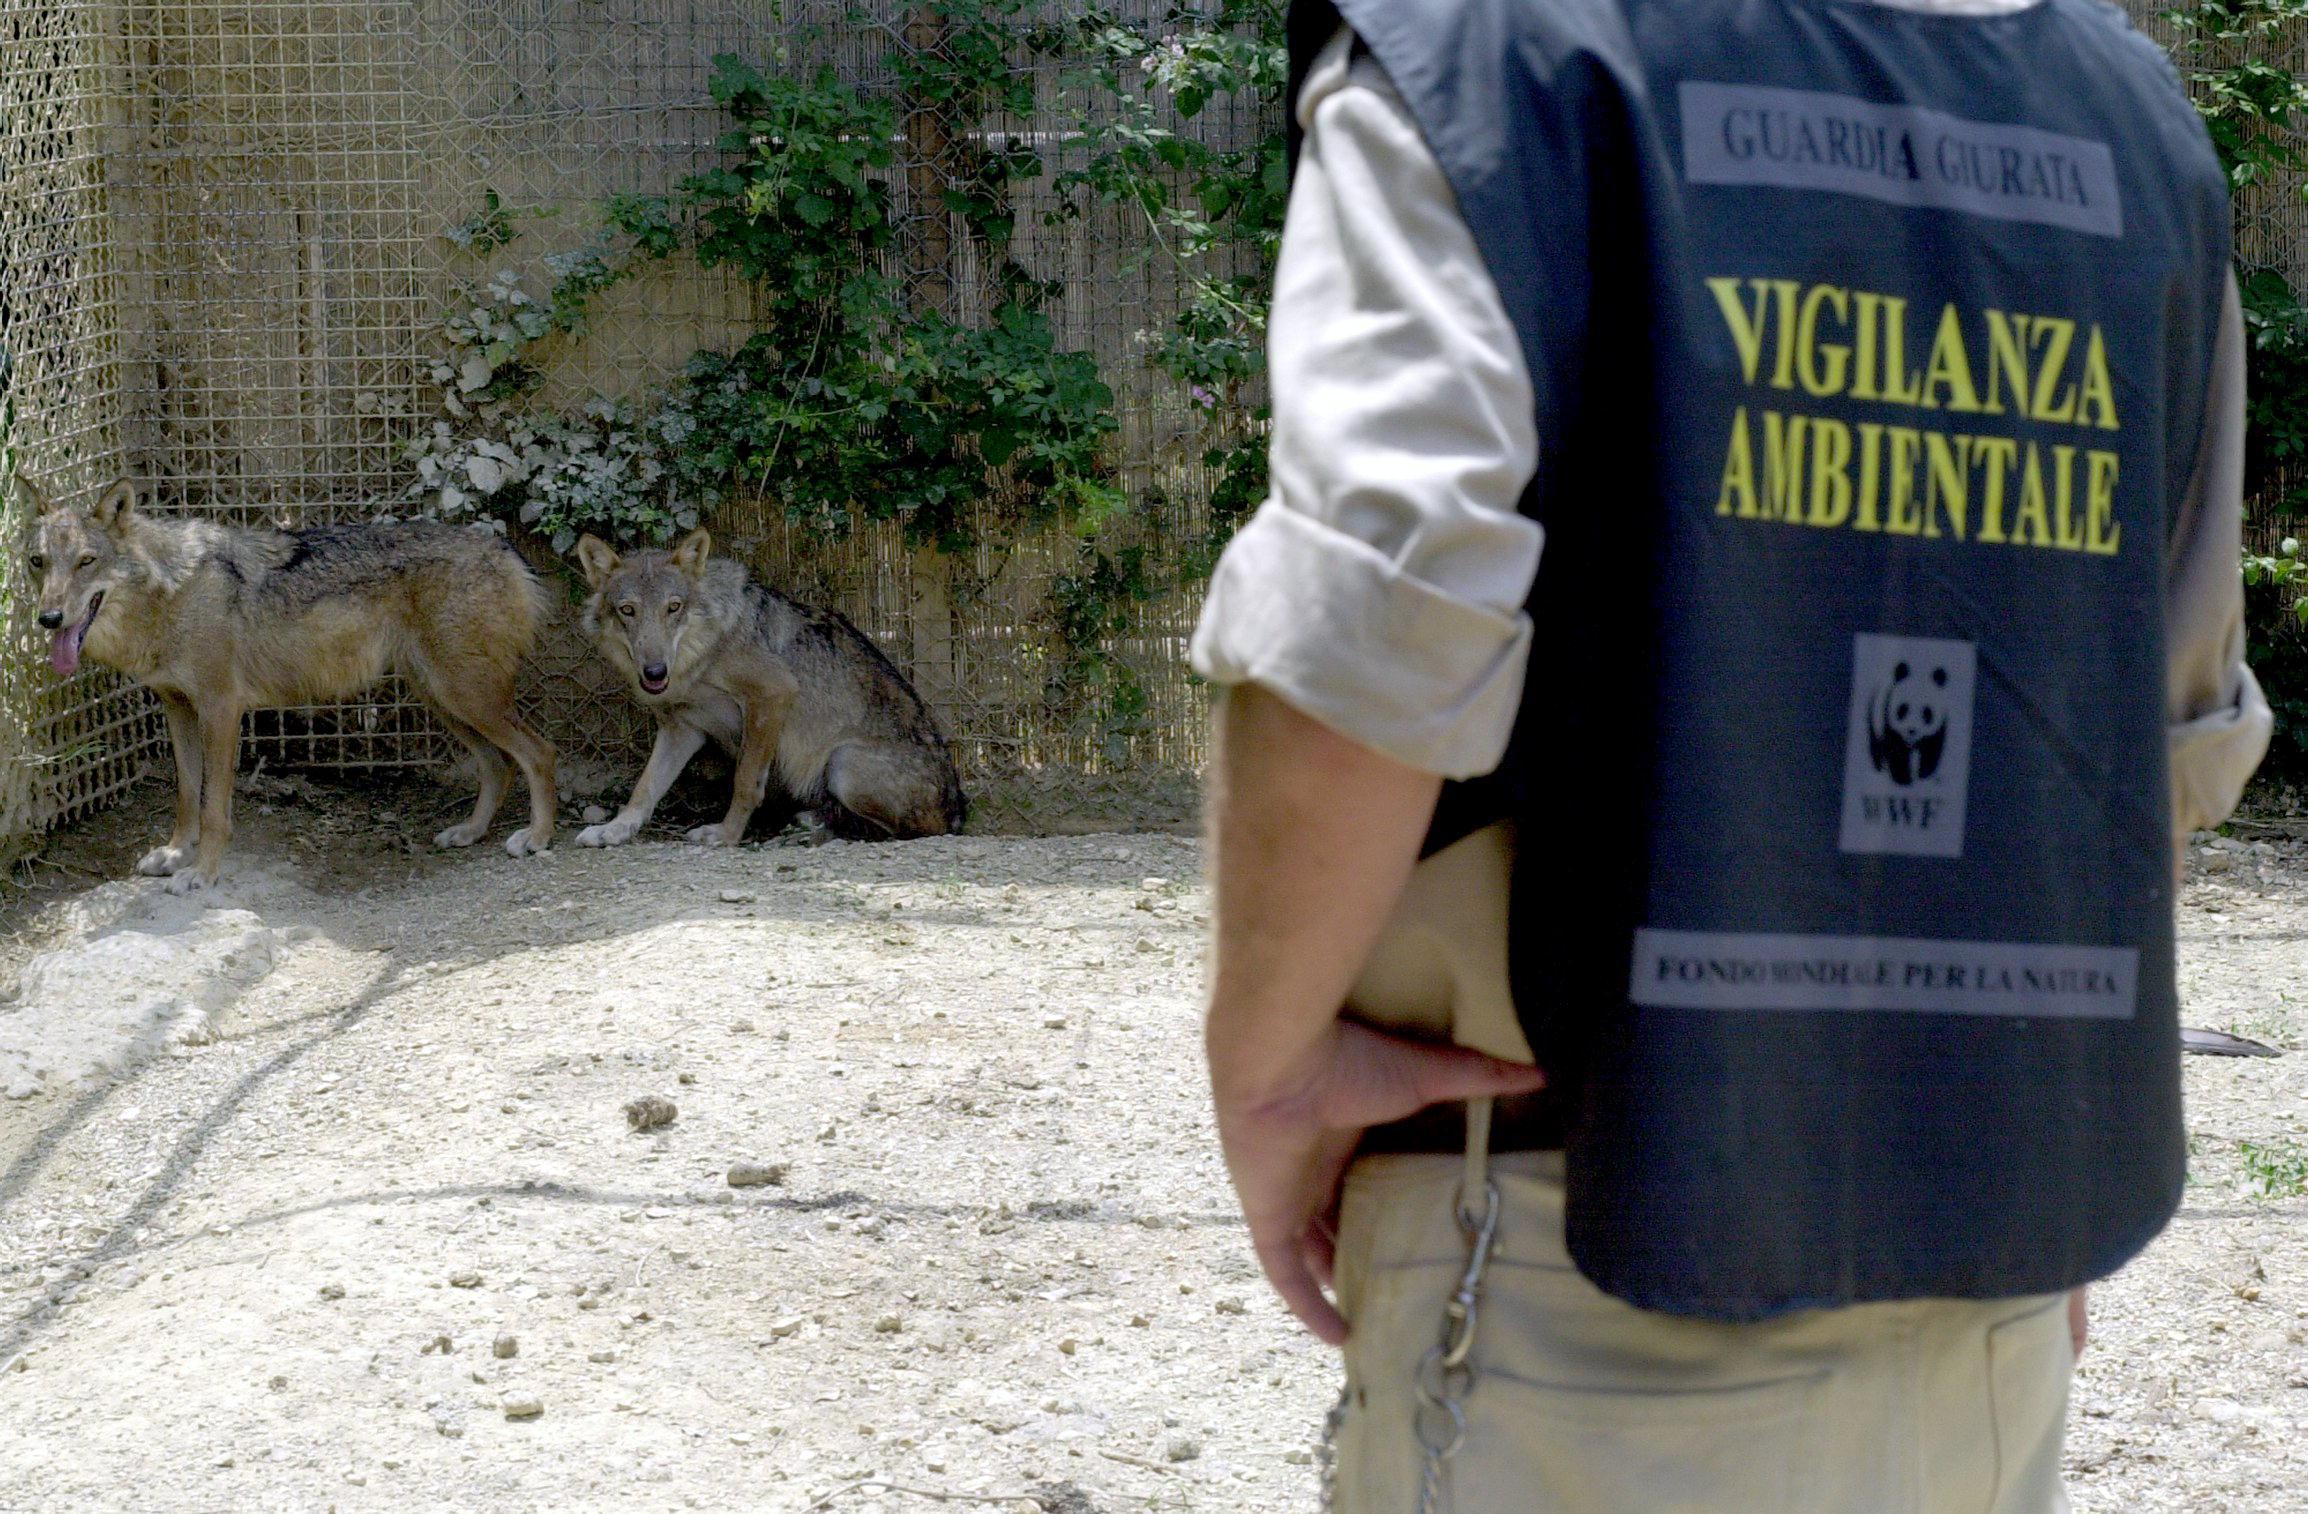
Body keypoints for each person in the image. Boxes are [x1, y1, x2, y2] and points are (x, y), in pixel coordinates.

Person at [1191, 0, 2273, 1508]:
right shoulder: (2136, 117)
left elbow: (1370, 635)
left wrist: (1269, 1065)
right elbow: (2160, 732)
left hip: (1569, 1285)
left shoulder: (1485, 58)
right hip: (1990, 1322)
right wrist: (2016, 1177)